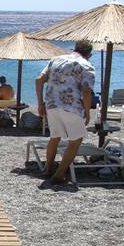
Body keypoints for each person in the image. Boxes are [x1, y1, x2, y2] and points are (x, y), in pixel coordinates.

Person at [36, 39, 95, 185]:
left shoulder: (56, 60)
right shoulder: (87, 66)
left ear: (74, 48)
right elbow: (86, 92)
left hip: (51, 104)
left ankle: (47, 169)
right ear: (89, 54)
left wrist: (40, 103)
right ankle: (59, 174)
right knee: (75, 140)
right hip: (72, 106)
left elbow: (39, 80)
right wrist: (88, 113)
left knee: (54, 137)